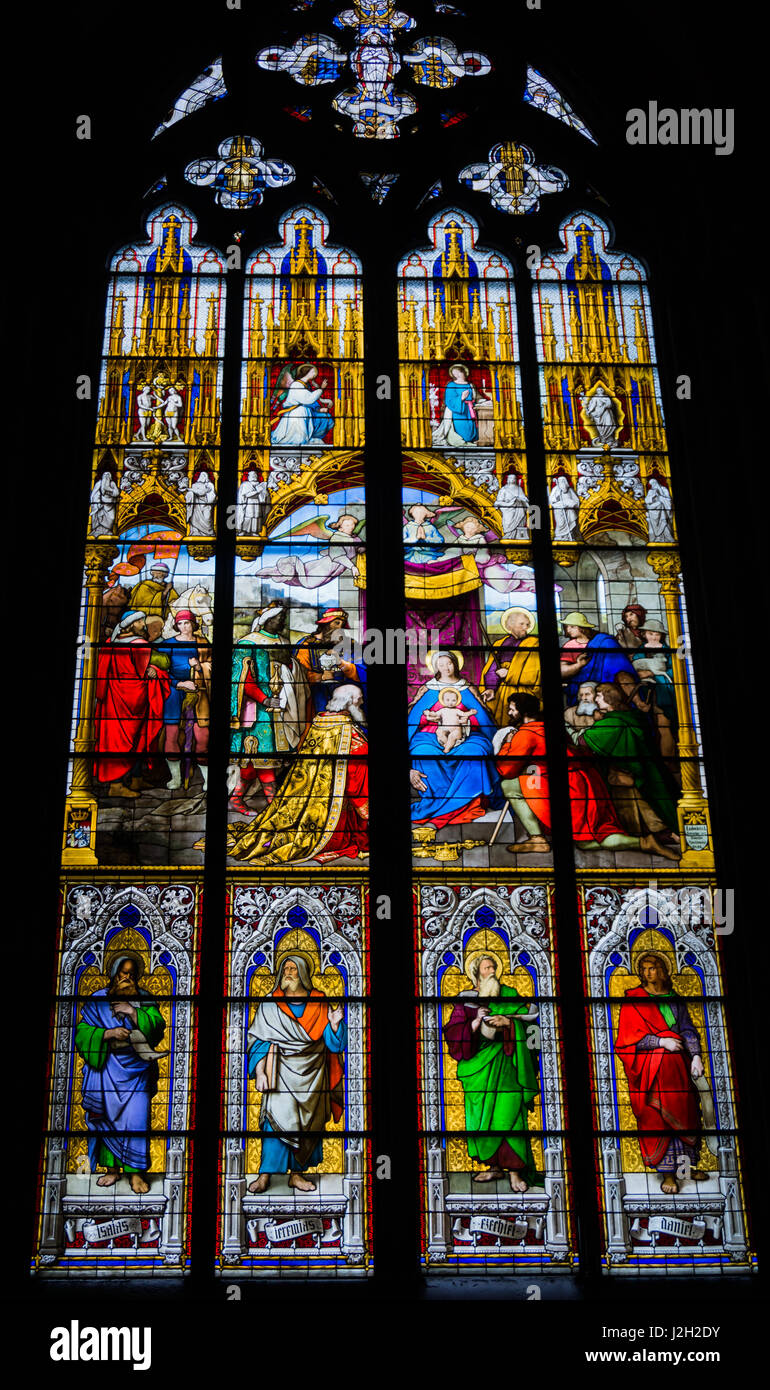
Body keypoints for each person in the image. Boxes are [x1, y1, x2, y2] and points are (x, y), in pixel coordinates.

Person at [496, 693, 671, 855]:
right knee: (587, 841)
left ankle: (537, 839)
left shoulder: (526, 734)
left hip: (567, 787)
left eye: (512, 709)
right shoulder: (552, 728)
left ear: (523, 711)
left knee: (509, 784)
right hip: (587, 783)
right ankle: (643, 843)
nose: (509, 712)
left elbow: (507, 769)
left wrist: (507, 744)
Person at [228, 684, 368, 864]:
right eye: (359, 698)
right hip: (333, 796)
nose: (361, 701)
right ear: (349, 702)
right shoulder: (344, 727)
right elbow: (358, 756)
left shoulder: (320, 720)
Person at [247, 954, 345, 1193]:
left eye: (293, 968)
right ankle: (265, 1174)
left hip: (314, 1075)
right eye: (285, 968)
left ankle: (297, 1175)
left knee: (308, 1127)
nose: (288, 973)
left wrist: (333, 1025)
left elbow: (334, 1045)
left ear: (303, 973)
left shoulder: (320, 1001)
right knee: (274, 1123)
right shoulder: (271, 1003)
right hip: (279, 1072)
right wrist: (260, 1071)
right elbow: (258, 1040)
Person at [443, 953, 539, 1191]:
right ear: (476, 973)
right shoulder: (466, 1000)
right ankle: (494, 1168)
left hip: (507, 1066)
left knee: (511, 1116)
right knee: (481, 1120)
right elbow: (452, 1033)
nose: (492, 971)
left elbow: (533, 1024)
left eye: (494, 967)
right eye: (487, 968)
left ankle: (515, 1173)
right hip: (477, 1070)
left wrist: (509, 1024)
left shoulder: (509, 996)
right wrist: (475, 1023)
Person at [615, 951, 708, 1194]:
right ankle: (668, 1175)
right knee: (658, 1119)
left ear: (663, 970)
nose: (648, 973)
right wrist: (659, 1042)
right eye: (644, 968)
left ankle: (686, 1169)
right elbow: (627, 1040)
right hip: (650, 1073)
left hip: (679, 1069)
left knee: (686, 1116)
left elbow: (687, 1030)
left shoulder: (674, 999)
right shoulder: (633, 999)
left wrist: (696, 1056)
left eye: (653, 968)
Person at [75, 953, 166, 1196]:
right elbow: (82, 1032)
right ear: (114, 974)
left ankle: (136, 1173)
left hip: (137, 1071)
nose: (128, 978)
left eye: (132, 974)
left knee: (137, 1120)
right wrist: (107, 1034)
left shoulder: (144, 999)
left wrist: (133, 1011)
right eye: (123, 973)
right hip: (105, 1068)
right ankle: (113, 1169)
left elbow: (157, 1028)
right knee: (106, 1120)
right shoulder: (97, 1000)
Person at [570, 682, 680, 852]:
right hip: (640, 770)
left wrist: (568, 732)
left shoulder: (614, 723)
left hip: (634, 774)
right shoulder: (629, 717)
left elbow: (585, 742)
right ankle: (656, 833)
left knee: (647, 804)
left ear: (609, 699)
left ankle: (663, 833)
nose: (596, 699)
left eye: (598, 696)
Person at [230, 605, 309, 813]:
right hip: (257, 711)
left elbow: (290, 668)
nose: (282, 621)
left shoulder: (283, 642)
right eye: (279, 617)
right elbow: (242, 680)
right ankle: (275, 807)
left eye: (284, 617)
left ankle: (238, 799)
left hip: (282, 707)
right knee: (261, 760)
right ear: (267, 620)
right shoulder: (249, 642)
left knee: (260, 762)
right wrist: (265, 699)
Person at [93, 609, 171, 798]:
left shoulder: (111, 643)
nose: (143, 624)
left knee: (125, 739)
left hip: (113, 697)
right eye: (140, 621)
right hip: (132, 697)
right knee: (133, 739)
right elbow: (161, 663)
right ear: (131, 624)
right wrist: (156, 670)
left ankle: (135, 778)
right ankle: (116, 785)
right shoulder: (140, 644)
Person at [156, 609, 211, 790]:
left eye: (187, 623)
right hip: (173, 691)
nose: (183, 626)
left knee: (202, 736)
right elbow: (159, 670)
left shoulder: (203, 643)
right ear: (176, 625)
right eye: (180, 623)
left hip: (200, 691)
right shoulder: (167, 644)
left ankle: (207, 779)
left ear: (193, 624)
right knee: (171, 734)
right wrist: (179, 683)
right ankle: (176, 777)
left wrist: (199, 667)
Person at [293, 608, 363, 716]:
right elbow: (298, 674)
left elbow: (360, 671)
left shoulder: (350, 644)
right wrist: (320, 677)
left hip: (346, 696)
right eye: (336, 623)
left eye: (342, 624)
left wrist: (341, 663)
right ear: (325, 624)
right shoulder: (306, 644)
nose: (339, 627)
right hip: (316, 695)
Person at [559, 611, 637, 706]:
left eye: (572, 626)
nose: (568, 630)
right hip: (585, 683)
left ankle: (635, 700)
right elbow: (562, 672)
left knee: (608, 644)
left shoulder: (599, 641)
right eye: (567, 627)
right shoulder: (570, 646)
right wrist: (579, 665)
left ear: (582, 628)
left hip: (609, 677)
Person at [480, 607, 541, 724]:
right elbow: (492, 668)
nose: (526, 627)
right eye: (522, 624)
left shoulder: (534, 643)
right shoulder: (499, 643)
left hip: (523, 693)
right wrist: (491, 688)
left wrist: (509, 674)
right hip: (500, 692)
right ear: (510, 626)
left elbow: (536, 673)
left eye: (527, 624)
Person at [270, 363, 334, 446]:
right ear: (306, 372)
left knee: (326, 418)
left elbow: (309, 401)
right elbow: (307, 399)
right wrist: (321, 389)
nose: (315, 374)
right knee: (298, 438)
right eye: (313, 372)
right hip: (297, 414)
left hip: (305, 412)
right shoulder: (296, 384)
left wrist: (319, 409)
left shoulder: (305, 385)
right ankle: (299, 441)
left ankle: (308, 439)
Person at [432, 364, 491, 447]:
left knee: (471, 426)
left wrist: (484, 402)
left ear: (464, 372)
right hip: (458, 411)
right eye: (455, 373)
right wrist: (461, 398)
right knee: (461, 426)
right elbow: (449, 400)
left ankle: (472, 440)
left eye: (459, 372)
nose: (458, 375)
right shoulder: (451, 385)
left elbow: (477, 397)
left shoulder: (470, 385)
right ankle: (462, 440)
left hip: (470, 411)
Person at [422, 687, 473, 752]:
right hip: (445, 729)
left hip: (456, 731)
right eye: (448, 700)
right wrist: (428, 713)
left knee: (452, 736)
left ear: (457, 700)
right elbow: (435, 714)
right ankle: (446, 745)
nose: (450, 702)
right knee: (439, 731)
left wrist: (471, 712)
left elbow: (464, 714)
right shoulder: (442, 710)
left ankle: (447, 749)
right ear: (443, 700)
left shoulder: (457, 710)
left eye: (453, 700)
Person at [495, 473, 530, 539]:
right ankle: (509, 535)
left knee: (519, 522)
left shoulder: (519, 488)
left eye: (514, 478)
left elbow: (524, 498)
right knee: (508, 522)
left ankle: (518, 536)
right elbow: (499, 501)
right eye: (511, 478)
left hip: (519, 509)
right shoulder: (504, 489)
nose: (513, 480)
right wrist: (509, 503)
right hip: (508, 510)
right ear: (508, 479)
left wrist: (519, 499)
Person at [236, 467, 268, 535]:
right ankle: (244, 530)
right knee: (248, 516)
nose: (254, 476)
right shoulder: (245, 484)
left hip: (257, 502)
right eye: (252, 475)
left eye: (255, 475)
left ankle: (254, 531)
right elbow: (247, 495)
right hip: (249, 503)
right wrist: (257, 491)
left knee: (256, 517)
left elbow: (263, 495)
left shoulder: (259, 484)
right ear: (249, 476)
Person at [185, 469, 216, 536]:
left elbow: (205, 493)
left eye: (204, 476)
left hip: (207, 505)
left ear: (206, 477)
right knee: (195, 518)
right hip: (197, 506)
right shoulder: (195, 485)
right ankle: (196, 531)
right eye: (201, 475)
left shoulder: (209, 485)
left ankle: (209, 532)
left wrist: (190, 489)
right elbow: (193, 493)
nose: (202, 477)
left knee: (207, 518)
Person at [549, 473, 580, 541]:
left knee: (571, 522)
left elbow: (576, 501)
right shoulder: (556, 489)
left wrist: (571, 504)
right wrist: (557, 496)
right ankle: (560, 536)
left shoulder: (570, 490)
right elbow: (551, 500)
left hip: (569, 510)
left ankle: (569, 535)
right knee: (560, 524)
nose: (562, 483)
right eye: (560, 481)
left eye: (563, 481)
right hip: (559, 510)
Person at [89, 470, 119, 537]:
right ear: (102, 476)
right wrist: (98, 502)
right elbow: (94, 494)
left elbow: (116, 493)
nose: (106, 476)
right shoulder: (99, 483)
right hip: (101, 505)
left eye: (108, 475)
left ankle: (107, 530)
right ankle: (98, 531)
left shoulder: (112, 483)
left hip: (110, 505)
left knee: (111, 518)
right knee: (100, 517)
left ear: (110, 477)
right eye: (105, 475)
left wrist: (109, 489)